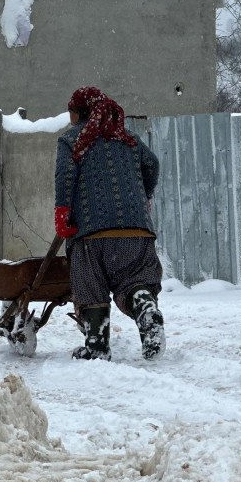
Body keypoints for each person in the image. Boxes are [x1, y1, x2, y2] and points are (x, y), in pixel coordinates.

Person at [54, 86, 165, 361]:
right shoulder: (129, 141)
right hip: (137, 231)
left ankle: (97, 346)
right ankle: (145, 308)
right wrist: (145, 195)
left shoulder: (72, 140)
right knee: (136, 281)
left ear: (81, 112)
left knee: (90, 283)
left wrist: (62, 212)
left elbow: (65, 176)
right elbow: (152, 165)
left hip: (93, 232)